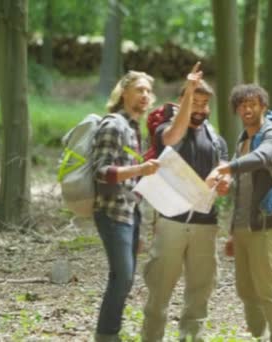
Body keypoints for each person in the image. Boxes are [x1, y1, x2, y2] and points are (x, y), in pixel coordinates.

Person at [141, 63, 230, 342]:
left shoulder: (216, 138)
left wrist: (227, 181)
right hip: (171, 223)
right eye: (195, 102)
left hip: (206, 225)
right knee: (160, 291)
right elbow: (171, 138)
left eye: (205, 104)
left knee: (200, 292)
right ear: (182, 102)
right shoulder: (168, 128)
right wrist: (189, 94)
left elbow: (224, 167)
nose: (201, 110)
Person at [212, 84, 272, 342]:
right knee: (245, 289)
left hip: (267, 222)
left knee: (267, 287)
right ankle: (258, 335)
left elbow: (266, 156)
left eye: (252, 104)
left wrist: (230, 167)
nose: (247, 109)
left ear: (263, 107)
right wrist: (233, 231)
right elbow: (241, 189)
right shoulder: (242, 140)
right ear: (237, 110)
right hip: (244, 226)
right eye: (242, 105)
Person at [92, 70, 161, 342]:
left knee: (126, 278)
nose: (145, 95)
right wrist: (141, 168)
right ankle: (106, 335)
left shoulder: (134, 129)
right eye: (139, 90)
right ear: (124, 93)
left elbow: (133, 182)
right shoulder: (114, 125)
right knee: (121, 276)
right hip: (111, 211)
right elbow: (100, 171)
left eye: (147, 91)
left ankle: (110, 333)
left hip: (129, 212)